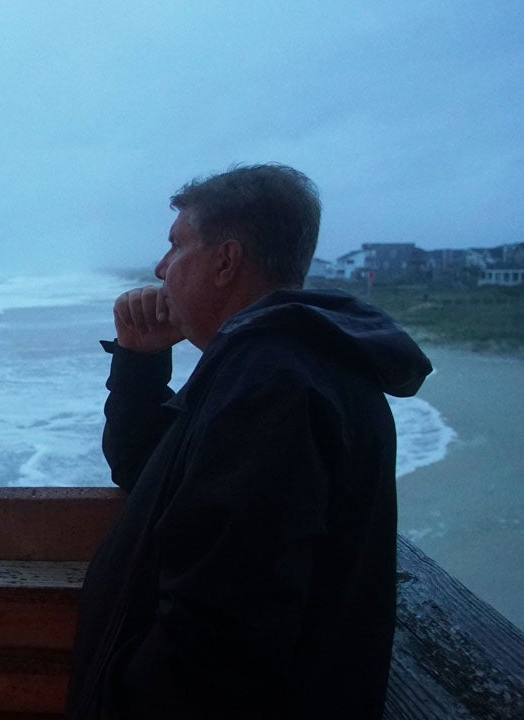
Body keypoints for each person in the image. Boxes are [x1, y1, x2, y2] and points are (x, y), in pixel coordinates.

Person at [65, 164, 432, 718]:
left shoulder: (273, 387)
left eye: (176, 247)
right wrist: (140, 361)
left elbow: (217, 640)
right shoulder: (270, 365)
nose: (161, 268)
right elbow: (150, 474)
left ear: (225, 261)